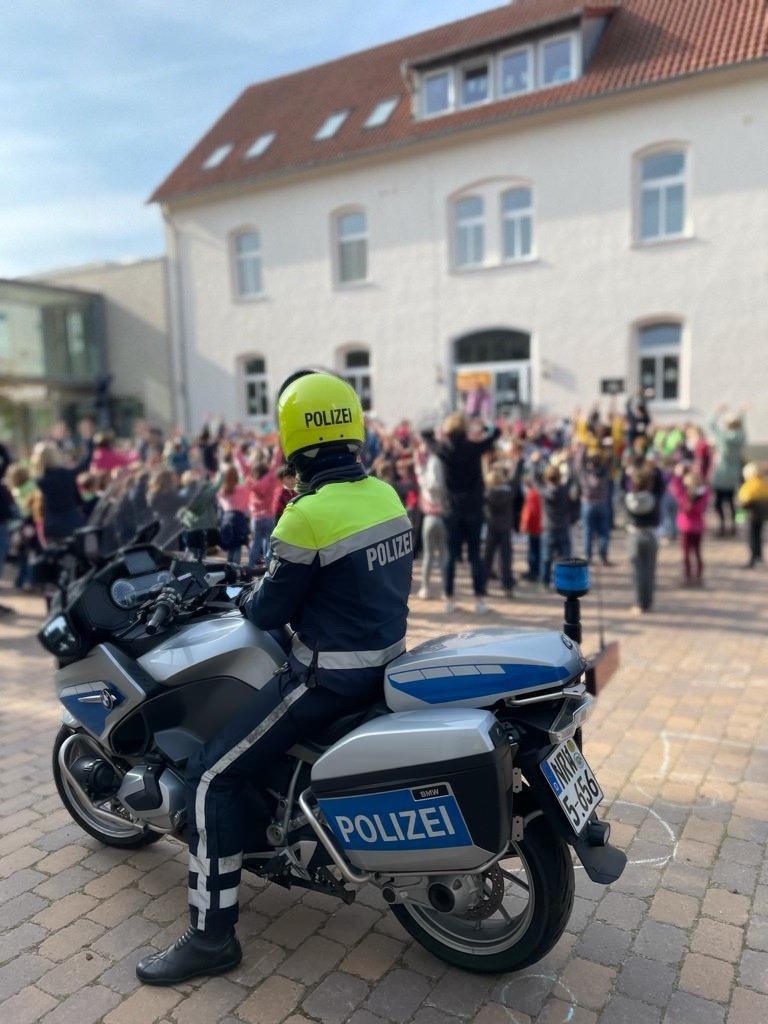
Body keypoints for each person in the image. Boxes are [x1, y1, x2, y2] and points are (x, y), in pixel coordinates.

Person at [136, 371, 413, 986]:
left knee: (210, 777)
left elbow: (265, 611)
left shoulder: (305, 517)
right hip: (385, 666)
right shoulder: (387, 496)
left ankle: (212, 939)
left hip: (326, 681)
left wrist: (248, 589)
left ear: (294, 440)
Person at [422, 412, 500, 615]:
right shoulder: (475, 447)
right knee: (475, 555)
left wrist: (439, 429)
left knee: (450, 556)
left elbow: (425, 433)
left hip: (451, 510)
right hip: (474, 509)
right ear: (465, 429)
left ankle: (449, 598)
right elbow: (496, 432)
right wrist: (484, 426)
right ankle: (480, 600)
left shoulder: (443, 449)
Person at [624, 464, 662, 613]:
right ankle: (648, 601)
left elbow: (623, 485)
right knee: (649, 570)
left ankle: (639, 603)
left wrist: (628, 474)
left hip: (634, 535)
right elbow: (660, 487)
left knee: (637, 572)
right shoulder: (653, 498)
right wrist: (655, 469)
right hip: (651, 535)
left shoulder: (629, 498)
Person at [708, 406, 746, 536]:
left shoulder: (724, 437)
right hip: (734, 472)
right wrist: (741, 413)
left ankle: (722, 525)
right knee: (731, 501)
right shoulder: (740, 437)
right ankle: (733, 526)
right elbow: (742, 428)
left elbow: (711, 425)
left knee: (719, 502)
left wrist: (717, 412)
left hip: (721, 472)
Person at [669, 465, 710, 586]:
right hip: (697, 527)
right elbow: (706, 492)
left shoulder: (685, 496)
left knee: (687, 554)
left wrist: (677, 475)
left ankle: (688, 576)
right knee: (697, 553)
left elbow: (675, 489)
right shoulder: (703, 495)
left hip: (686, 527)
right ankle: (698, 576)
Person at [482, 464, 516, 598]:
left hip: (491, 527)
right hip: (505, 528)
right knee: (506, 558)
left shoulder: (488, 494)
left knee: (487, 558)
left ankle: (482, 585)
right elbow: (515, 478)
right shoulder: (509, 493)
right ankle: (507, 585)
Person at [737, 462, 768, 569]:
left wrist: (740, 513)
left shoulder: (749, 485)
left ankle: (753, 557)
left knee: (752, 537)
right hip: (762, 515)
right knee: (758, 536)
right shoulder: (763, 483)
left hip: (752, 516)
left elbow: (744, 502)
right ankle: (759, 556)